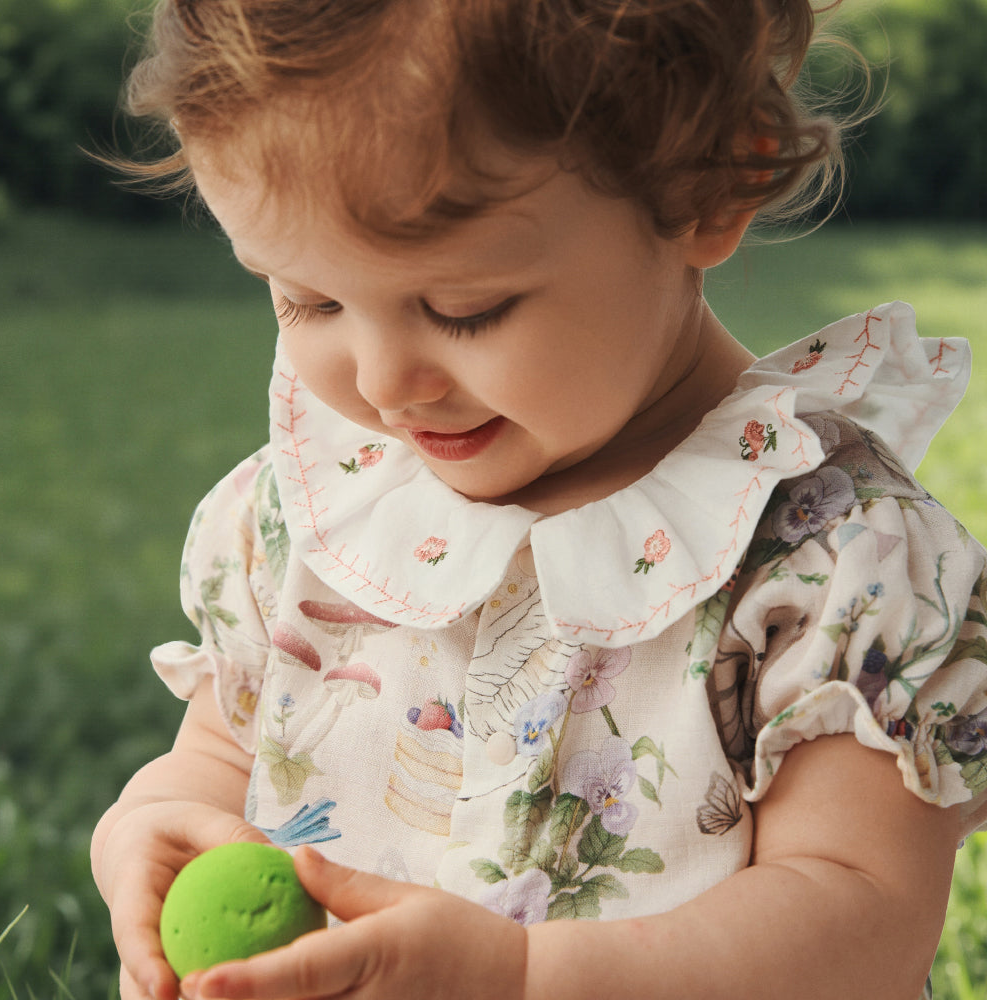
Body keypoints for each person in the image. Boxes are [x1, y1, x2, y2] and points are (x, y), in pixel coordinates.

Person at [91, 2, 987, 999]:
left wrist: (521, 980)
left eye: (463, 309)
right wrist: (150, 826)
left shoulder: (830, 564)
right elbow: (225, 754)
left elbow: (860, 922)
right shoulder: (319, 508)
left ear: (708, 183)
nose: (385, 385)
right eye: (310, 299)